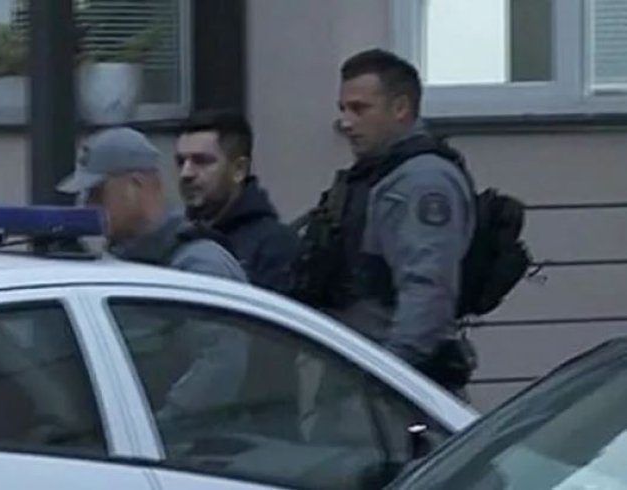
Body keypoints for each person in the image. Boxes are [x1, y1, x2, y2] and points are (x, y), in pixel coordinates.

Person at [295, 48, 477, 396]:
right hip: (365, 372)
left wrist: (390, 376)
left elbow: (427, 290)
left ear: (400, 108)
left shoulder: (421, 181)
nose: (346, 122)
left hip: (394, 385)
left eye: (359, 109)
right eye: (343, 109)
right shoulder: (379, 175)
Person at [56, 126, 250, 422]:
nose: (87, 205)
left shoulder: (200, 267)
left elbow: (220, 366)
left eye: (97, 193)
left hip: (188, 442)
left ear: (135, 186)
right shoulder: (118, 260)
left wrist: (161, 426)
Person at [176, 109, 300, 295]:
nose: (186, 173)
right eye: (181, 162)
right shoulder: (176, 238)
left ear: (239, 169)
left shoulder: (274, 247)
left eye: (201, 161)